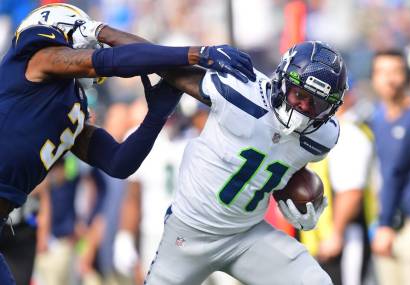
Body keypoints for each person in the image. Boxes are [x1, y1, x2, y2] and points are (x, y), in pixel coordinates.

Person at [0, 3, 255, 284]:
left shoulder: (70, 107)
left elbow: (118, 163)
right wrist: (197, 53)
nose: (97, 47)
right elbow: (109, 62)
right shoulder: (36, 57)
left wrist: (155, 116)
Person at [140, 41, 347, 284]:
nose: (304, 106)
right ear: (282, 81)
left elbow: (288, 164)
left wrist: (299, 204)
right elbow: (159, 63)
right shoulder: (239, 90)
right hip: (190, 230)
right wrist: (103, 38)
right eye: (300, 94)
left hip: (246, 235)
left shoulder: (323, 136)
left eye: (317, 103)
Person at [300, 83, 375, 285]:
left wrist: (336, 234)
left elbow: (351, 192)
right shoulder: (324, 131)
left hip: (345, 237)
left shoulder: (348, 134)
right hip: (325, 238)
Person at [372, 44, 410, 285]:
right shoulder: (374, 118)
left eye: (395, 71)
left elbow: (398, 174)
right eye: (382, 72)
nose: (390, 79)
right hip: (383, 222)